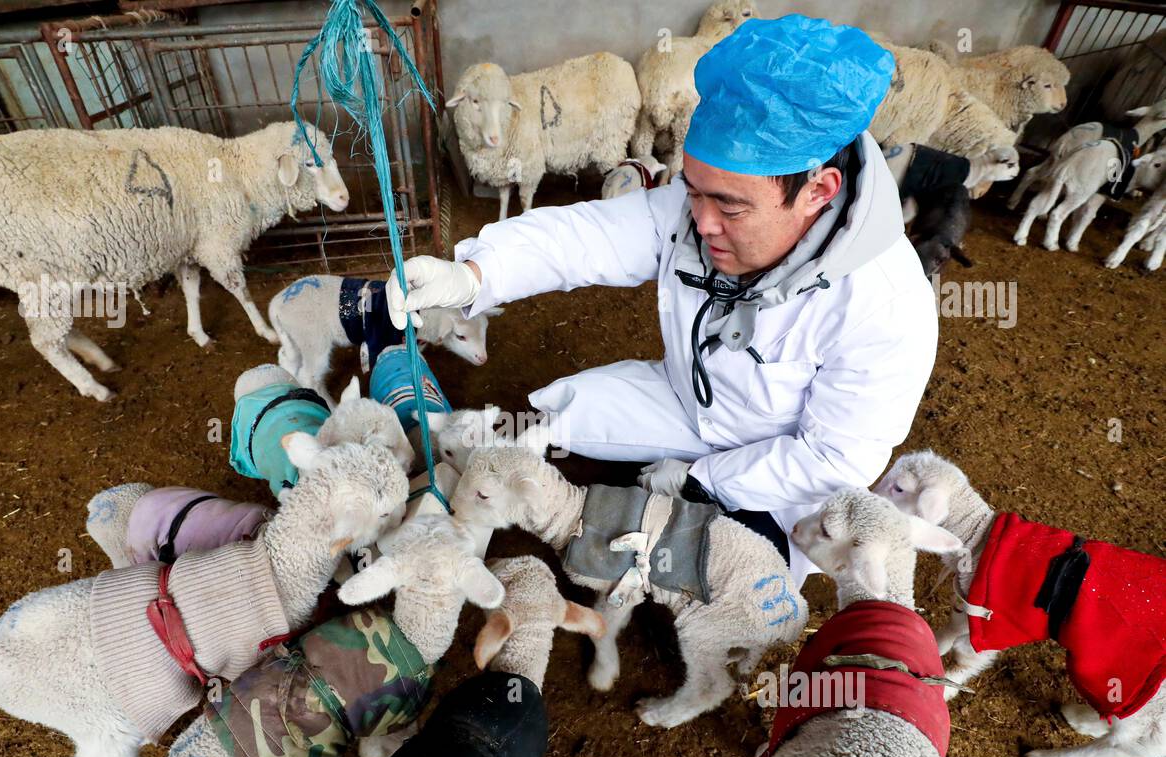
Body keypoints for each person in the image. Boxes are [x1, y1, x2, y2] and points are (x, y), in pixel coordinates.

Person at [387, 14, 937, 583]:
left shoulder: (886, 304)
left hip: (781, 466)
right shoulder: (697, 213)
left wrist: (706, 480)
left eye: (729, 206)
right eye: (693, 191)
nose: (700, 222)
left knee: (735, 579)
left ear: (819, 191)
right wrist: (477, 274)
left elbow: (832, 459)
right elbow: (586, 236)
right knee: (545, 425)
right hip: (684, 398)